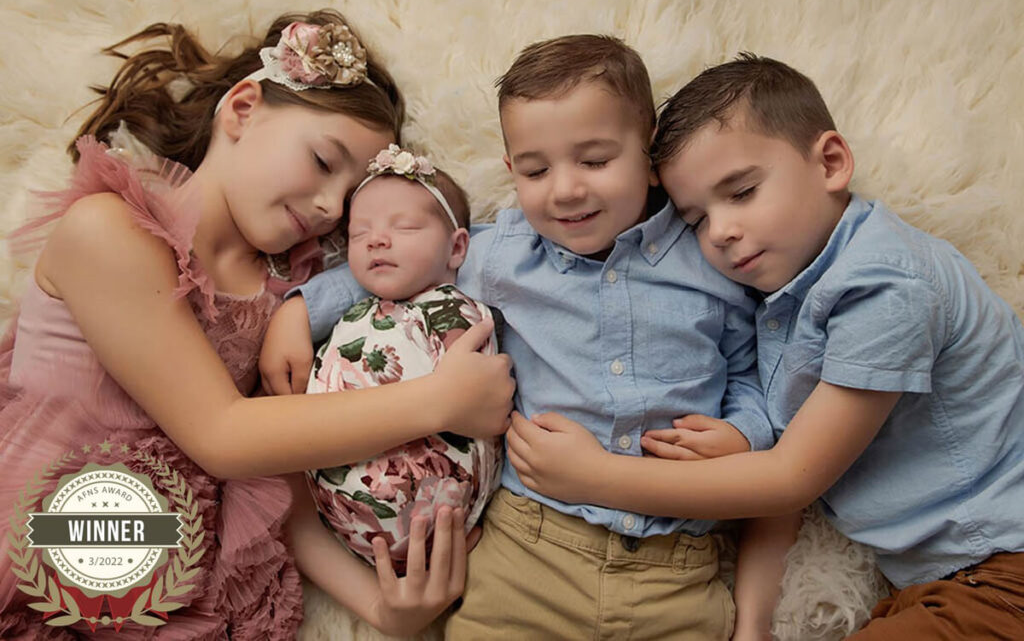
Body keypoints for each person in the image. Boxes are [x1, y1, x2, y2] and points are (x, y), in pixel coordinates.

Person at [0, 11, 514, 639]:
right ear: (242, 109)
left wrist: (381, 608)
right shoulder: (108, 232)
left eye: (349, 199)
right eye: (324, 161)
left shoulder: (280, 296)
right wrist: (438, 401)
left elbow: (274, 478)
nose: (330, 208)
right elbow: (223, 434)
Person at [260, 35, 774, 639]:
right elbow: (405, 256)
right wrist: (299, 310)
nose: (565, 190)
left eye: (595, 161)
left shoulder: (710, 257)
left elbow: (751, 369)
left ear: (650, 155)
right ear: (511, 171)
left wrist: (744, 432)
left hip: (677, 565)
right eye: (536, 170)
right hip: (528, 547)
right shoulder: (500, 255)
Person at [507, 53, 1024, 640]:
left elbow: (789, 479)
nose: (721, 231)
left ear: (830, 162)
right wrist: (752, 628)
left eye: (743, 192)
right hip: (938, 586)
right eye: (696, 218)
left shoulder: (887, 285)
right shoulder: (781, 301)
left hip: (1004, 569)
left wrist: (594, 476)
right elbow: (781, 487)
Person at [294, 145, 501, 577]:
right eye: (358, 233)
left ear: (458, 247)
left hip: (430, 510)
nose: (376, 240)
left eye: (404, 227)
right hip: (339, 520)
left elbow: (473, 399)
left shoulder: (449, 308)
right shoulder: (353, 315)